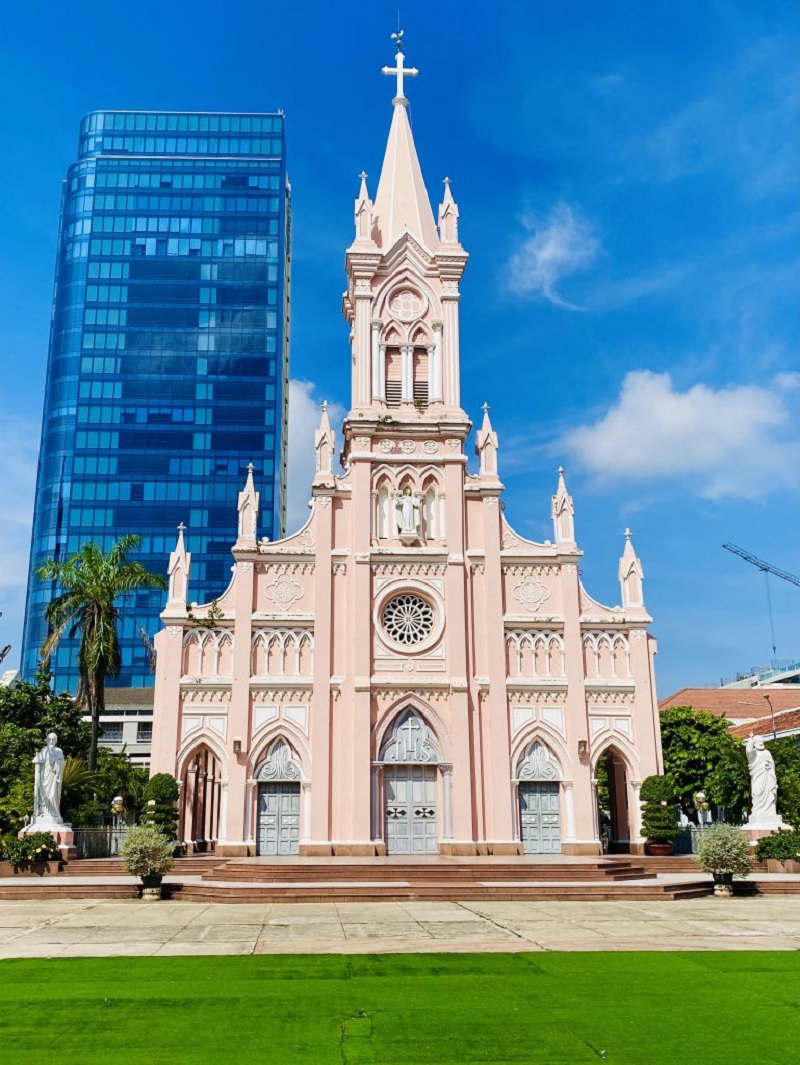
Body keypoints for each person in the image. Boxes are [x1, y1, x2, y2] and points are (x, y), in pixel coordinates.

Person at [33, 732, 65, 825]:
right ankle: (43, 813)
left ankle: (54, 813)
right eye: (50, 739)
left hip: (54, 776)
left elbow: (61, 763)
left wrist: (54, 761)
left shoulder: (58, 751)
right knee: (43, 796)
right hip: (44, 776)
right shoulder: (44, 750)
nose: (51, 741)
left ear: (56, 741)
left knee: (52, 795)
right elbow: (40, 762)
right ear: (47, 740)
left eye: (53, 739)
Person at [746, 733, 779, 823]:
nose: (761, 743)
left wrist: (769, 765)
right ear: (755, 743)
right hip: (757, 777)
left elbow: (772, 764)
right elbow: (748, 751)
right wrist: (750, 740)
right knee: (757, 793)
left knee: (769, 794)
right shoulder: (753, 753)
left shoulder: (767, 752)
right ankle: (757, 811)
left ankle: (770, 812)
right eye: (759, 742)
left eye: (762, 742)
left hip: (768, 776)